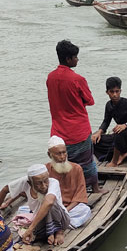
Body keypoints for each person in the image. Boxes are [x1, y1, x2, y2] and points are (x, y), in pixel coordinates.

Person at [47, 40, 104, 194]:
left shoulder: (50, 77)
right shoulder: (77, 79)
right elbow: (90, 101)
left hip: (58, 131)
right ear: (68, 59)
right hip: (78, 129)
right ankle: (96, 188)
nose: (77, 60)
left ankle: (66, 190)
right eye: (75, 57)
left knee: (62, 163)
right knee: (86, 162)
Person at [0, 164, 71, 246]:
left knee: (51, 204)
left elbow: (49, 202)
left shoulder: (53, 182)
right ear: (30, 183)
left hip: (60, 220)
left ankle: (58, 232)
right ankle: (48, 234)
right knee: (9, 237)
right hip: (39, 221)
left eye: (46, 181)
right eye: (39, 183)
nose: (44, 186)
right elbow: (5, 189)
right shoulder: (25, 181)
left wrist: (30, 228)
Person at [91, 77, 127, 167]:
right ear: (107, 92)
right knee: (95, 140)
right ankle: (124, 152)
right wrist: (99, 132)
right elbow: (106, 121)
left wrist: (126, 125)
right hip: (119, 133)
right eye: (112, 92)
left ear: (120, 91)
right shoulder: (108, 105)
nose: (115, 94)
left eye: (117, 91)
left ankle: (114, 162)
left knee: (119, 133)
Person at [46, 136, 92, 228]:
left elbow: (80, 196)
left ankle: (59, 224)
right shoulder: (45, 169)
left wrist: (65, 211)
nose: (62, 157)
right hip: (52, 208)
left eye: (64, 152)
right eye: (58, 154)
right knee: (23, 210)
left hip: (71, 209)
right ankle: (63, 223)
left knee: (85, 210)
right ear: (49, 154)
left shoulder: (77, 168)